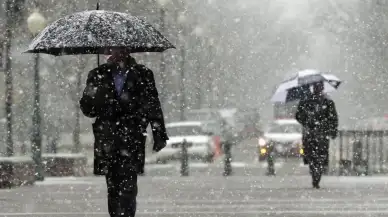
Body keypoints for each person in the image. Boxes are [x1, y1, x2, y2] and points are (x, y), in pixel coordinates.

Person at [80, 48, 169, 217]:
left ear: (127, 50)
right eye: (110, 49)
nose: (113, 53)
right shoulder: (97, 75)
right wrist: (93, 94)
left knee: (128, 187)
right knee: (112, 188)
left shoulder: (143, 74)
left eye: (118, 49)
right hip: (107, 139)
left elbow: (153, 105)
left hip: (132, 137)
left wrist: (159, 134)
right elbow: (88, 110)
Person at [295, 81, 338, 189]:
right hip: (312, 134)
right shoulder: (306, 101)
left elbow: (333, 118)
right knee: (313, 156)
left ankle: (316, 175)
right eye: (316, 87)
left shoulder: (327, 102)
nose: (318, 89)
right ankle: (315, 174)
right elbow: (298, 115)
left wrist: (331, 129)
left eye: (319, 87)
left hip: (319, 134)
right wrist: (307, 120)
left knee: (318, 156)